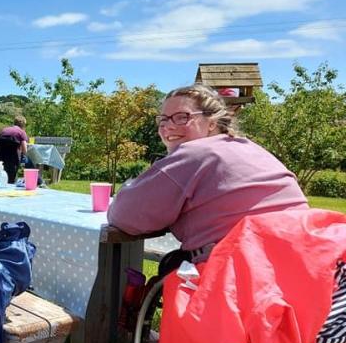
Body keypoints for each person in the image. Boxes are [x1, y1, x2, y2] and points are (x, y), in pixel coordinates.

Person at [107, 84, 308, 257]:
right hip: (304, 259)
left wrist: (129, 187)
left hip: (246, 272)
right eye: (163, 119)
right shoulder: (250, 148)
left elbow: (124, 216)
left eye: (181, 117)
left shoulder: (193, 153)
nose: (167, 127)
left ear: (211, 123)